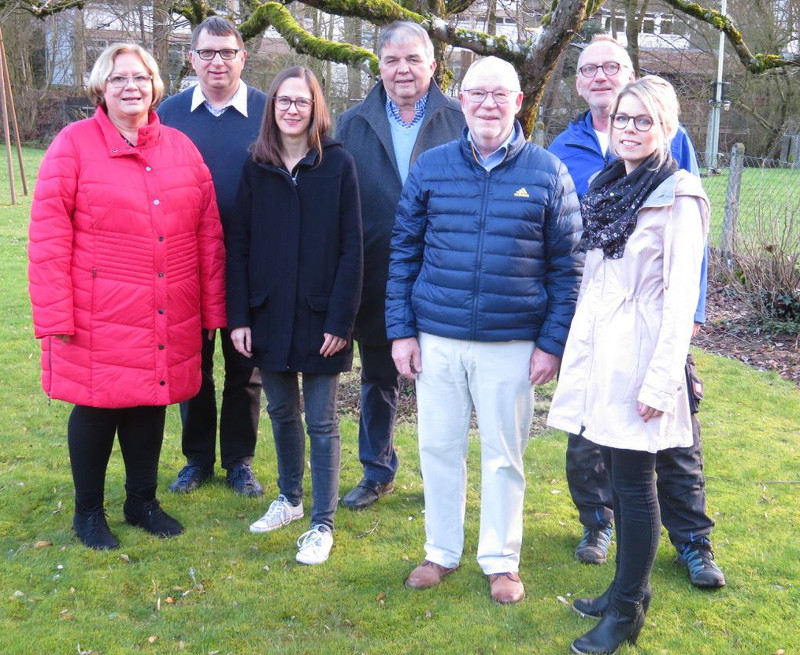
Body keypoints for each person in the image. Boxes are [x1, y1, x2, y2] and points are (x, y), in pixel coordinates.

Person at [386, 56, 583, 603]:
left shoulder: (547, 172)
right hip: (438, 337)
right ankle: (440, 551)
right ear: (462, 99)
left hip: (512, 343)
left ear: (519, 102)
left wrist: (551, 342)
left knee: (503, 455)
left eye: (501, 95)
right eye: (478, 94)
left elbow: (568, 266)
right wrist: (401, 331)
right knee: (439, 448)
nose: (488, 104)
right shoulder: (432, 166)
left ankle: (501, 561)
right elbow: (403, 251)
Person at [28, 43, 226, 550]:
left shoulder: (181, 148)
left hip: (166, 306)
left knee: (149, 404)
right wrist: (55, 314)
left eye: (140, 77)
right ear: (102, 87)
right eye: (118, 79)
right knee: (97, 406)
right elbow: (48, 237)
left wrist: (212, 308)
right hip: (97, 312)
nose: (131, 87)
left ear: (156, 85)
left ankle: (142, 501)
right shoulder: (72, 146)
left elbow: (207, 235)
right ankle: (88, 512)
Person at [548, 35, 726, 588]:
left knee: (672, 446)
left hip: (651, 325)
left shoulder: (673, 159)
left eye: (611, 67)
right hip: (596, 323)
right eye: (589, 69)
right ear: (578, 82)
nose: (600, 76)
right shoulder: (568, 149)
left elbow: (686, 246)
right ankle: (598, 528)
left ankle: (692, 542)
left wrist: (688, 320)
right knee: (595, 445)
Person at [227, 66, 363, 565]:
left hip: (322, 318)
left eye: (301, 101)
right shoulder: (255, 166)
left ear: (315, 108)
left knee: (322, 423)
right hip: (268, 316)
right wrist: (238, 316)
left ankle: (322, 524)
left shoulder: (338, 164)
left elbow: (353, 249)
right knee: (282, 411)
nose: (291, 109)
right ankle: (288, 498)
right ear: (272, 107)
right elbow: (238, 245)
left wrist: (341, 322)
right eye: (283, 100)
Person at [336, 21, 465, 510]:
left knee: (446, 382)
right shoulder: (350, 125)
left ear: (433, 65)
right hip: (377, 276)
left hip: (445, 275)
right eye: (392, 60)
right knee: (378, 380)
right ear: (379, 67)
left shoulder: (460, 119)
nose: (402, 69)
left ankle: (442, 475)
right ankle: (376, 469)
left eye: (413, 59)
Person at [158, 17, 266, 498]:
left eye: (227, 52)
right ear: (191, 58)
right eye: (207, 53)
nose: (217, 62)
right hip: (186, 263)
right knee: (192, 366)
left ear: (244, 57)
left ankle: (239, 460)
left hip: (253, 262)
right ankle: (197, 458)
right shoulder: (167, 113)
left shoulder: (270, 110)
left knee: (246, 366)